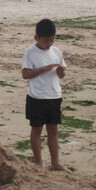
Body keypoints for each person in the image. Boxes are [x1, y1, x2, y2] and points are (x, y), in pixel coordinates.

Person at [21, 18, 67, 171]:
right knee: (37, 130)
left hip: (54, 96)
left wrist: (60, 71)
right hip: (37, 97)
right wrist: (44, 68)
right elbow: (25, 74)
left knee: (53, 131)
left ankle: (55, 162)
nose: (50, 43)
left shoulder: (56, 51)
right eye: (46, 40)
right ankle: (39, 162)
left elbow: (61, 75)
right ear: (37, 38)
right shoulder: (30, 52)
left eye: (52, 40)